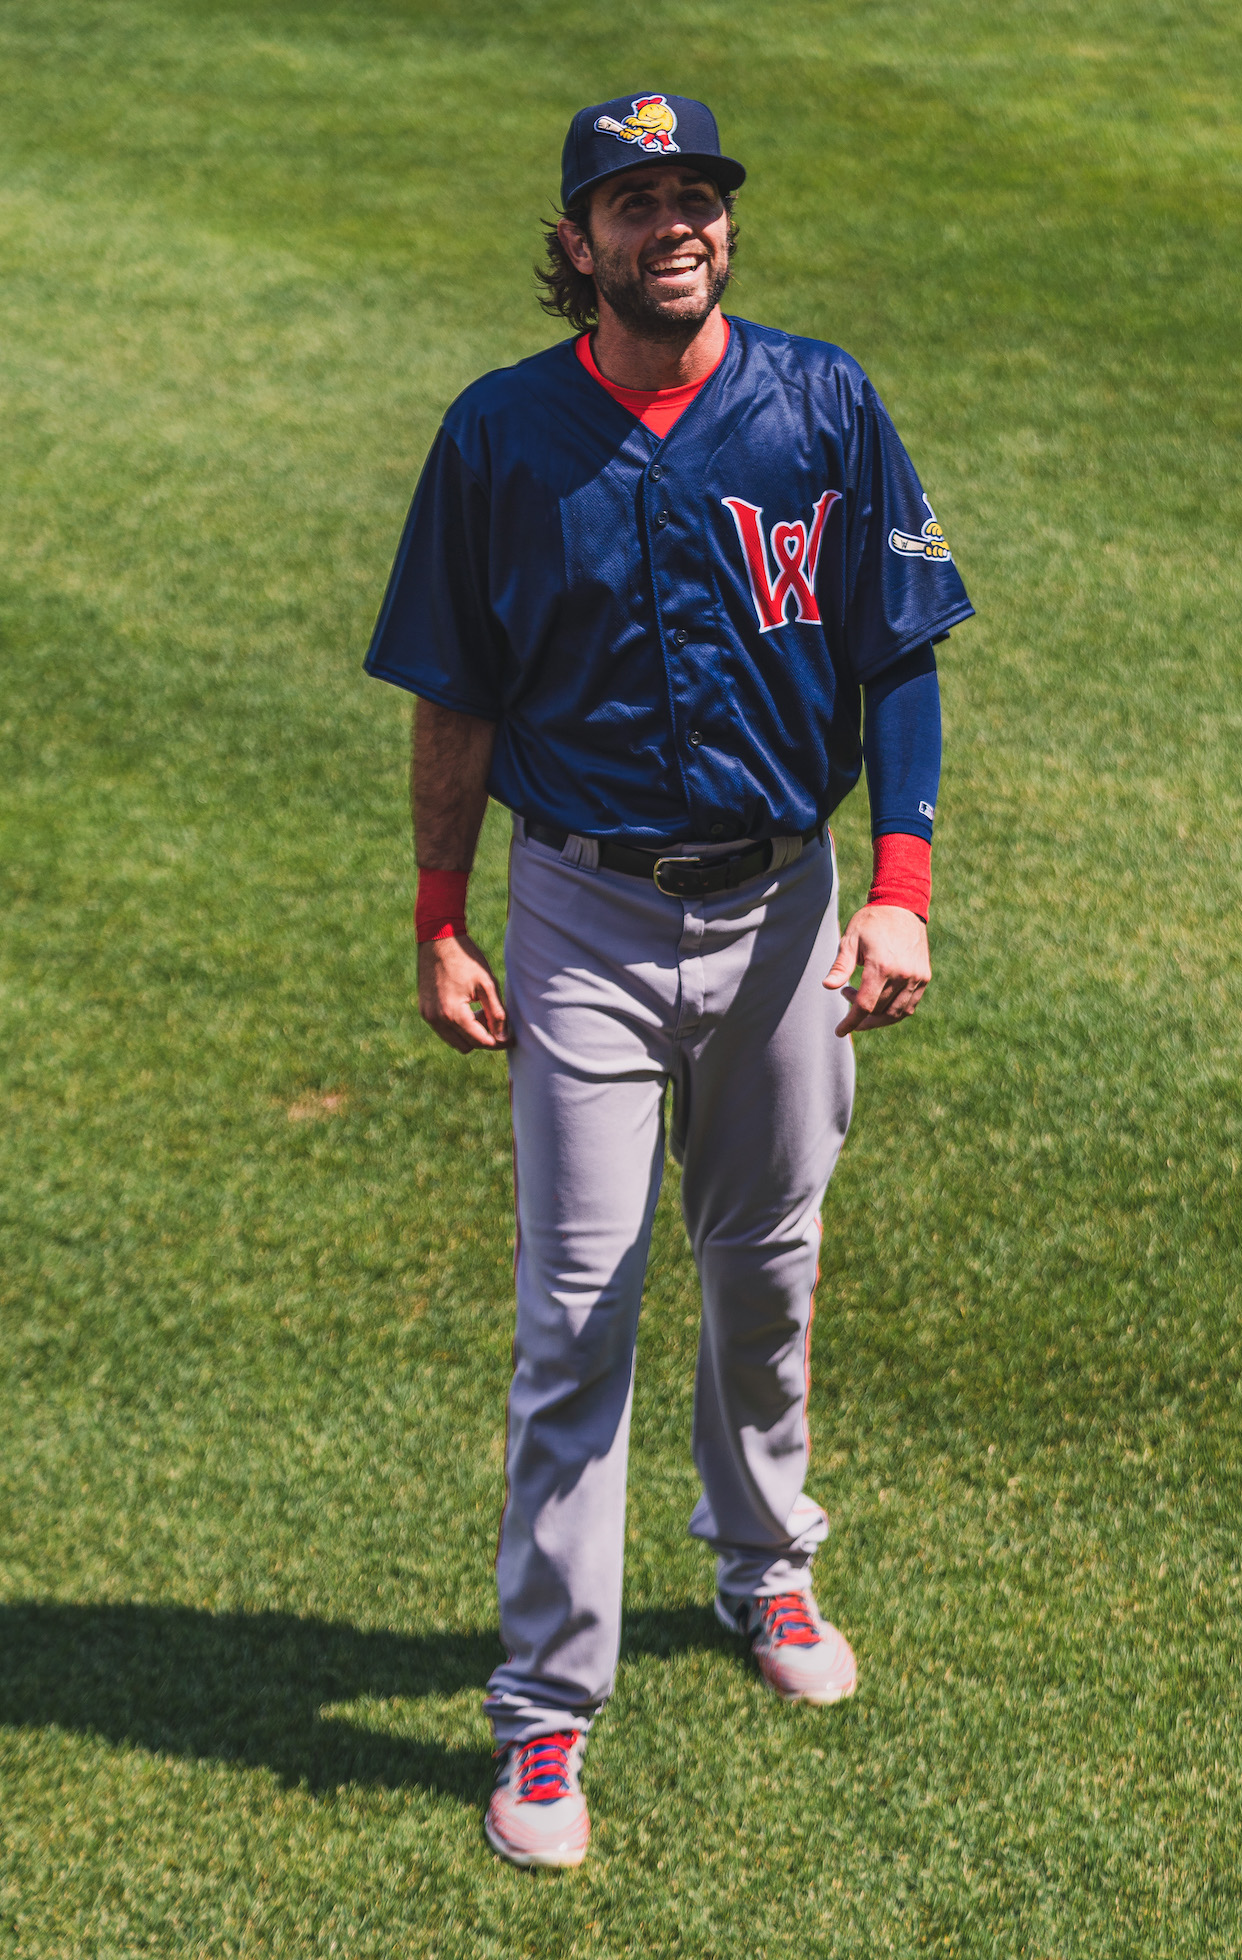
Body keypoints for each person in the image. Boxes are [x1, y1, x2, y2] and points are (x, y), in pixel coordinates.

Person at [364, 92, 973, 1869]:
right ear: (576, 245)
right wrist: (436, 913)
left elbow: (904, 653)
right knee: (579, 1309)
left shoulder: (824, 405)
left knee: (764, 1267)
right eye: (634, 203)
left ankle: (764, 1570)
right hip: (581, 919)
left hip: (790, 906)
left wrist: (907, 890)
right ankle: (545, 1719)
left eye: (695, 195)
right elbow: (453, 693)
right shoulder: (500, 437)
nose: (674, 225)